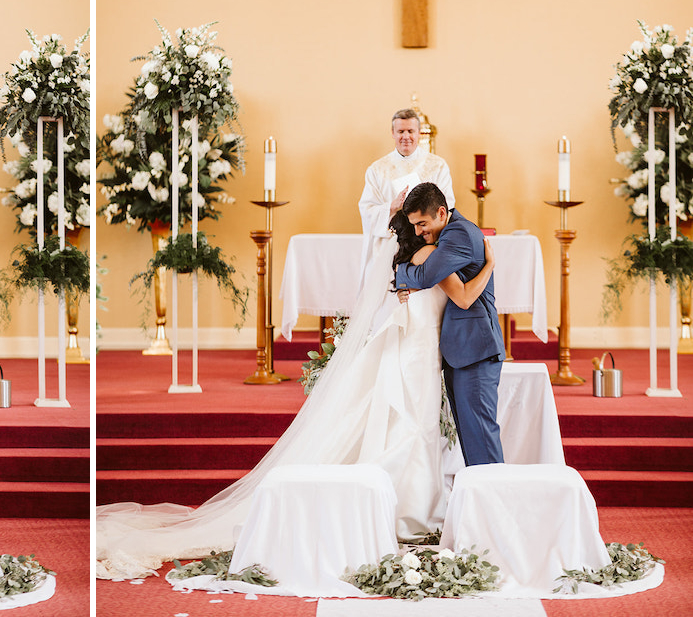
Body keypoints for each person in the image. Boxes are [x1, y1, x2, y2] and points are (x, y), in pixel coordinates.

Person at [95, 212, 494, 580]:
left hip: (418, 354)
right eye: (420, 225)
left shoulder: (410, 260)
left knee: (409, 432)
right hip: (417, 358)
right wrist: (491, 266)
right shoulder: (433, 254)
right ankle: (411, 517)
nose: (425, 231)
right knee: (413, 432)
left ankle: (407, 513)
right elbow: (460, 296)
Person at [396, 182, 504, 466]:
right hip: (463, 350)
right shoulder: (447, 233)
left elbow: (428, 276)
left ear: (442, 213)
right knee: (472, 439)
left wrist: (400, 272)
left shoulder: (458, 233)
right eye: (414, 225)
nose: (419, 231)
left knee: (481, 438)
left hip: (476, 348)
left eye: (422, 223)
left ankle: (494, 504)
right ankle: (480, 504)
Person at [357, 107, 453, 287]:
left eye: (411, 131)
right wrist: (391, 207)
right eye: (401, 131)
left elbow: (448, 205)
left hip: (426, 244)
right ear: (392, 133)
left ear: (419, 133)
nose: (406, 136)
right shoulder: (377, 170)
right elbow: (366, 210)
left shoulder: (437, 165)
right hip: (391, 248)